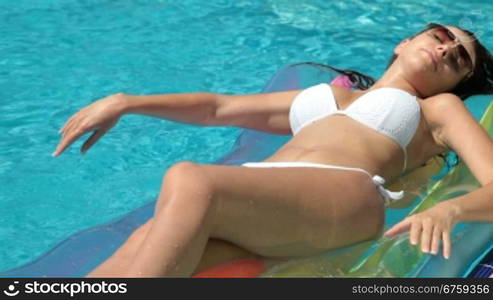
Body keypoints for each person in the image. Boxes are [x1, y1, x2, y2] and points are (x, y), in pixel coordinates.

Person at [52, 23, 493, 277]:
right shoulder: (328, 96)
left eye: (458, 60)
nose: (445, 48)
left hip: (348, 195)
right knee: (137, 247)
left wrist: (449, 211)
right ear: (403, 43)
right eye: (440, 36)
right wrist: (127, 103)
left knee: (191, 178)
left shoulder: (439, 109)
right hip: (273, 199)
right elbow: (217, 107)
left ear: (456, 84)